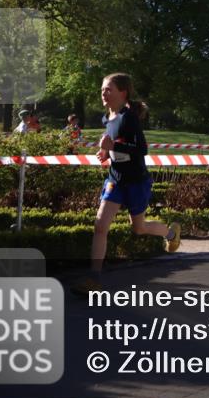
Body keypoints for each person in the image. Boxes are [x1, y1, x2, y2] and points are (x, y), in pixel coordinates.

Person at [73, 73, 180, 295]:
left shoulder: (129, 118)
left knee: (138, 228)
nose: (104, 93)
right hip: (115, 180)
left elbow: (141, 150)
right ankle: (94, 279)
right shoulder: (107, 118)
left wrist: (114, 146)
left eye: (109, 89)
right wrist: (105, 150)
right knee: (100, 226)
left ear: (123, 93)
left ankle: (170, 233)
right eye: (102, 89)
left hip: (136, 181)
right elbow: (112, 140)